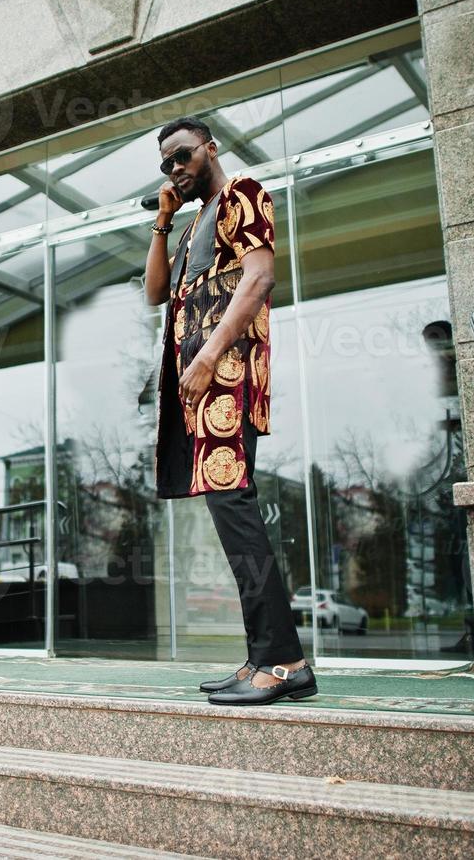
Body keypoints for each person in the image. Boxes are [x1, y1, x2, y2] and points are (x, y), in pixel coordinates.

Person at [143, 116, 315, 706]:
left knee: (236, 512)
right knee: (230, 514)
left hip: (226, 378)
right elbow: (155, 292)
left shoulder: (241, 193)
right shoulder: (193, 224)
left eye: (183, 156)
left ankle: (283, 661)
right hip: (199, 386)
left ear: (210, 148)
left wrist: (209, 356)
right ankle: (268, 657)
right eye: (166, 163)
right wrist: (163, 222)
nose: (176, 168)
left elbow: (261, 276)